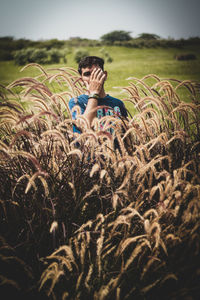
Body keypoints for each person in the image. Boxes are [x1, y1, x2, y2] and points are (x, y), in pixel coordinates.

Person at [68, 56, 128, 134]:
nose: (92, 77)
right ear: (81, 80)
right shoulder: (76, 102)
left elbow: (126, 135)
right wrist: (94, 93)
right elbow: (84, 127)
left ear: (105, 75)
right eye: (87, 74)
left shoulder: (118, 103)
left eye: (96, 72)